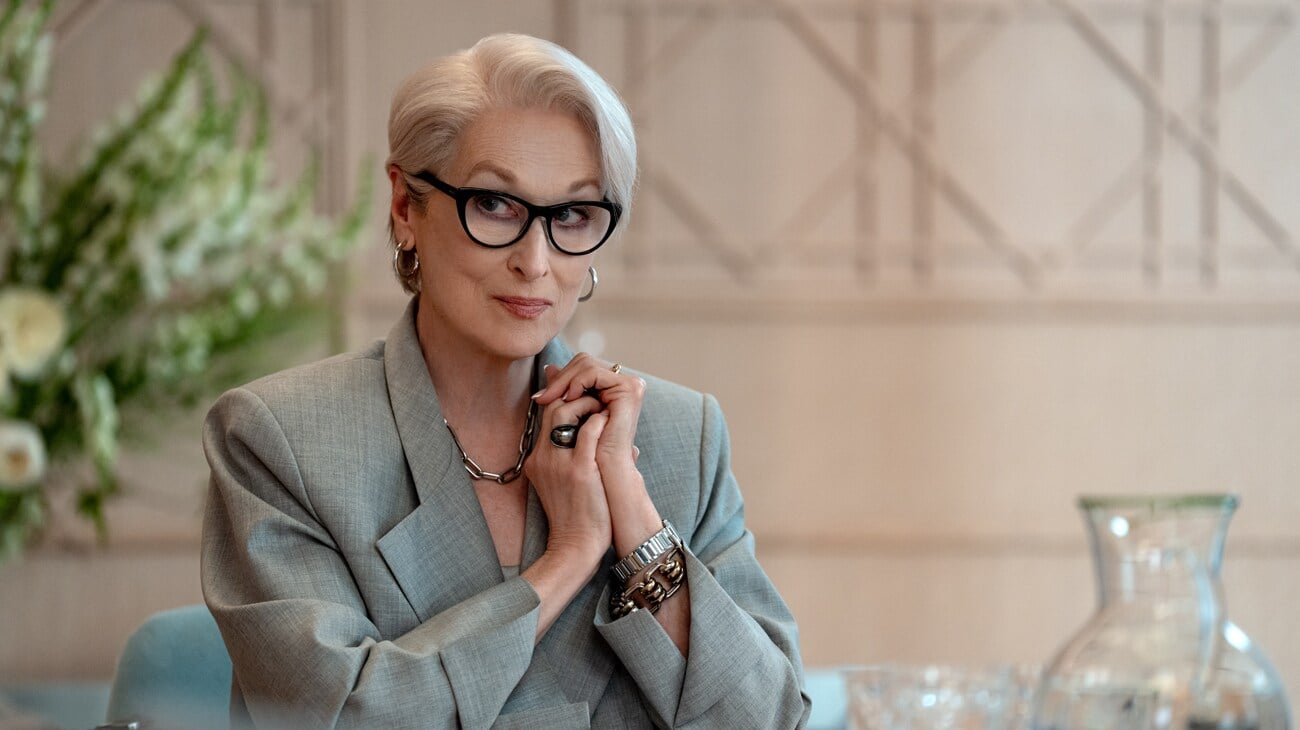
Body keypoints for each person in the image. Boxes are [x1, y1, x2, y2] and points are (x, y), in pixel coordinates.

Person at [201, 33, 810, 729]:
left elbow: (767, 720)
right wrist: (569, 557)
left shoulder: (680, 435)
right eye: (494, 204)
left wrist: (639, 532)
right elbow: (343, 719)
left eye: (573, 214)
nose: (536, 259)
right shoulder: (280, 438)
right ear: (406, 207)